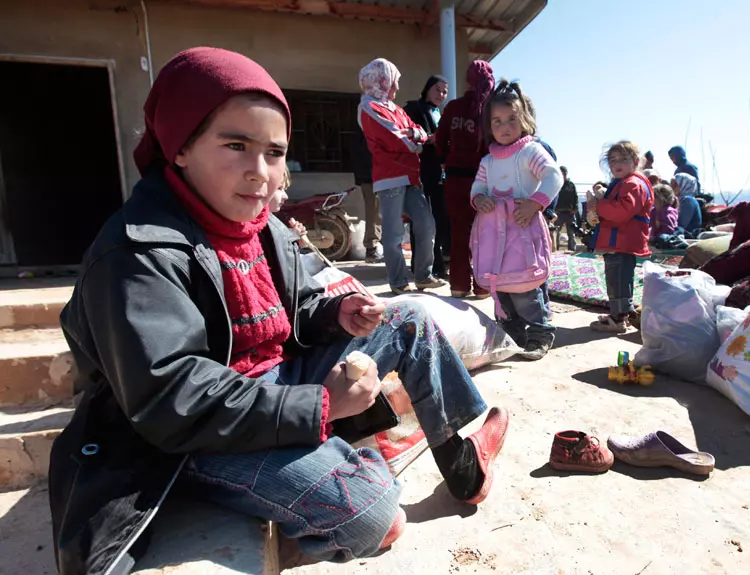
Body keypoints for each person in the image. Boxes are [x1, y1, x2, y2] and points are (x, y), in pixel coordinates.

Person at [48, 47, 509, 574]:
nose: (260, 173)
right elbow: (170, 397)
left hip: (275, 385)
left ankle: (463, 462)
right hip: (195, 439)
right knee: (373, 511)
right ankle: (314, 490)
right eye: (236, 145)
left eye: (273, 152)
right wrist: (317, 408)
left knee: (412, 320)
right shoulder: (137, 253)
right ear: (179, 147)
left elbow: (296, 307)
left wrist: (337, 314)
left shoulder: (262, 228)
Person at [471, 80, 562, 360]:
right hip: (494, 234)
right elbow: (478, 187)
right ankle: (511, 332)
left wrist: (535, 204)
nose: (504, 126)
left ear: (524, 119)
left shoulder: (530, 151)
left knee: (525, 284)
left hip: (523, 229)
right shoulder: (488, 161)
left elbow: (554, 176)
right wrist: (479, 199)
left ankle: (539, 332)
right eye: (497, 121)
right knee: (502, 284)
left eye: (511, 119)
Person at [357, 58, 446, 295]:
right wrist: (415, 139)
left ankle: (423, 276)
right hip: (389, 179)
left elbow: (418, 133)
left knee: (427, 224)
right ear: (382, 81)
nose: (396, 87)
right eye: (394, 82)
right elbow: (399, 139)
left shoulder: (394, 109)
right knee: (394, 233)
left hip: (411, 177)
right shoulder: (368, 107)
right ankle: (398, 282)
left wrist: (415, 135)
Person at [434, 60, 494, 299]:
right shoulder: (489, 110)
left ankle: (458, 285)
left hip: (455, 179)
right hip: (483, 180)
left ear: (466, 80)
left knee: (459, 232)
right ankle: (481, 286)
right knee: (482, 233)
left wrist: (444, 160)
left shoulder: (452, 107)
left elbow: (440, 141)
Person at [589, 141, 653, 334]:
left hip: (622, 241)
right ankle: (622, 313)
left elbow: (622, 212)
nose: (617, 163)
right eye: (612, 160)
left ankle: (619, 318)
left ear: (634, 162)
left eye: (623, 159)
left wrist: (598, 206)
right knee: (617, 278)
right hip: (618, 241)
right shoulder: (624, 183)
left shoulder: (633, 184)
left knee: (619, 279)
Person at [405, 75, 450, 278]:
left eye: (444, 91)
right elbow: (411, 136)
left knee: (439, 218)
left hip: (439, 173)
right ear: (427, 89)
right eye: (438, 89)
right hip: (422, 171)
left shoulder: (439, 113)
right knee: (423, 220)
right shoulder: (415, 109)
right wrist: (430, 139)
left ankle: (438, 264)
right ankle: (421, 266)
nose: (441, 94)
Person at [350, 129, 384, 263]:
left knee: (377, 212)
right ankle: (371, 247)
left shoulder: (365, 133)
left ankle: (375, 246)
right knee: (374, 213)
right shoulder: (366, 134)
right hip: (371, 178)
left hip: (373, 178)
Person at [554, 166, 580, 251]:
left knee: (571, 233)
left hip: (570, 212)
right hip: (558, 212)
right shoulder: (555, 184)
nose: (562, 175)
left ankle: (572, 249)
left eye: (564, 173)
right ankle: (555, 248)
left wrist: (575, 208)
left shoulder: (571, 185)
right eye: (561, 173)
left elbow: (575, 197)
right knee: (556, 232)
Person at [672, 172, 703, 237]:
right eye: (672, 184)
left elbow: (681, 224)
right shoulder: (679, 200)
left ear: (684, 184)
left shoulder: (688, 200)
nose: (672, 187)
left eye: (675, 185)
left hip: (688, 237)